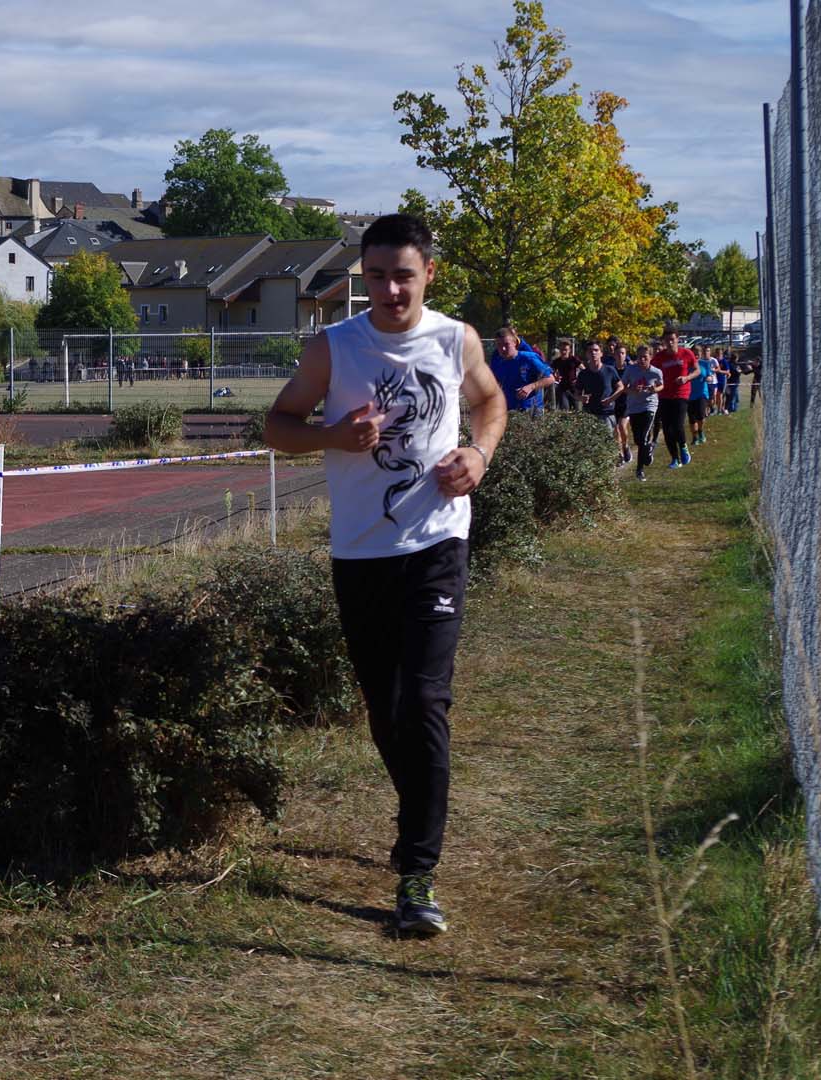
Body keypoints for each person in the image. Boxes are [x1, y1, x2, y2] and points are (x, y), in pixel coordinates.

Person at [264, 213, 507, 936]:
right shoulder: (333, 347)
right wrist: (330, 437)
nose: (390, 289)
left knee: (423, 704)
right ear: (360, 278)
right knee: (385, 706)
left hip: (435, 543)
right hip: (360, 552)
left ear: (428, 273)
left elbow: (489, 402)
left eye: (403, 274)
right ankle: (416, 819)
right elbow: (276, 426)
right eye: (375, 276)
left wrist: (480, 455)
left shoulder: (453, 337)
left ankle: (416, 873)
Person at [653, 328, 698, 468]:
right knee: (667, 429)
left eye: (672, 339)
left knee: (677, 425)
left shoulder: (686, 353)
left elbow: (698, 370)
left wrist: (686, 378)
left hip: (681, 394)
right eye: (667, 340)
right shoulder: (659, 357)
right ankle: (675, 459)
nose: (670, 342)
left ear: (678, 339)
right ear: (664, 341)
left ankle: (683, 447)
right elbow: (651, 372)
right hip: (665, 395)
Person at [488, 326, 554, 414]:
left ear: (515, 342)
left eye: (506, 344)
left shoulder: (529, 358)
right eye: (499, 345)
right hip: (508, 410)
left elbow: (550, 379)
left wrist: (531, 387)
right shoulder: (497, 362)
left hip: (531, 410)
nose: (503, 348)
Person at [622, 346, 664, 481]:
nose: (642, 359)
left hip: (649, 406)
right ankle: (649, 449)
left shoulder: (656, 372)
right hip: (634, 407)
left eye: (645, 357)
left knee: (643, 437)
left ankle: (639, 470)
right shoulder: (631, 370)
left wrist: (655, 389)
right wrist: (632, 389)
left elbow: (661, 385)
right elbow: (622, 387)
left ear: (650, 357)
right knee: (638, 439)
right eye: (639, 357)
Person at [576, 341, 623, 437]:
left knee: (608, 445)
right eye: (590, 351)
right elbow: (576, 394)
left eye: (596, 350)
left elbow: (621, 386)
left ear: (601, 353)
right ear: (586, 354)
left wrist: (611, 399)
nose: (593, 353)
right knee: (590, 446)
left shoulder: (609, 370)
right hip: (589, 415)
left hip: (606, 413)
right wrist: (582, 398)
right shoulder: (583, 374)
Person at [610, 341, 633, 465]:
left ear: (625, 355)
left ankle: (626, 446)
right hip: (614, 402)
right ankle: (619, 454)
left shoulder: (630, 369)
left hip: (626, 402)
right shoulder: (610, 369)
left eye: (623, 353)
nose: (620, 356)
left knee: (622, 427)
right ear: (614, 355)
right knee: (616, 430)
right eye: (618, 353)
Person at [687, 346, 714, 445]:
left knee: (701, 416)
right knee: (692, 418)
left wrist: (709, 379)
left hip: (702, 393)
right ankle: (694, 437)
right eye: (694, 352)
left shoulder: (704, 364)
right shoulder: (687, 365)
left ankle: (700, 431)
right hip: (689, 394)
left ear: (701, 354)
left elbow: (710, 375)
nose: (696, 354)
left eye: (698, 352)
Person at [551, 339, 583, 410]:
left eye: (566, 349)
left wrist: (579, 380)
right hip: (563, 388)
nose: (564, 352)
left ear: (569, 350)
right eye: (562, 349)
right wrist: (555, 376)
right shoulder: (557, 361)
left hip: (574, 388)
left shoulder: (573, 359)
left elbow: (584, 370)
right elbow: (550, 371)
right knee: (565, 409)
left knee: (577, 410)